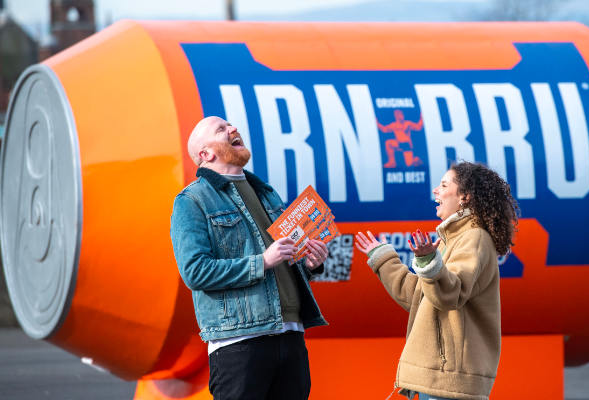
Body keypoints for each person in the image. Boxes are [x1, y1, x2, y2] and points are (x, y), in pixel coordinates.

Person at [170, 116, 329, 400]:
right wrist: (262, 262)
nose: (233, 129)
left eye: (231, 125)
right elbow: (195, 272)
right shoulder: (192, 201)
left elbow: (283, 261)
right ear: (205, 155)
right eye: (221, 130)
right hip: (239, 343)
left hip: (291, 334)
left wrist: (310, 265)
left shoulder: (267, 193)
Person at [355, 161, 519, 400]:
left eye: (444, 185)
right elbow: (420, 297)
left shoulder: (475, 238)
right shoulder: (453, 238)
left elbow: (448, 295)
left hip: (450, 381)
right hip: (439, 381)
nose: (436, 191)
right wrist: (383, 258)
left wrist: (429, 261)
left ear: (464, 197)